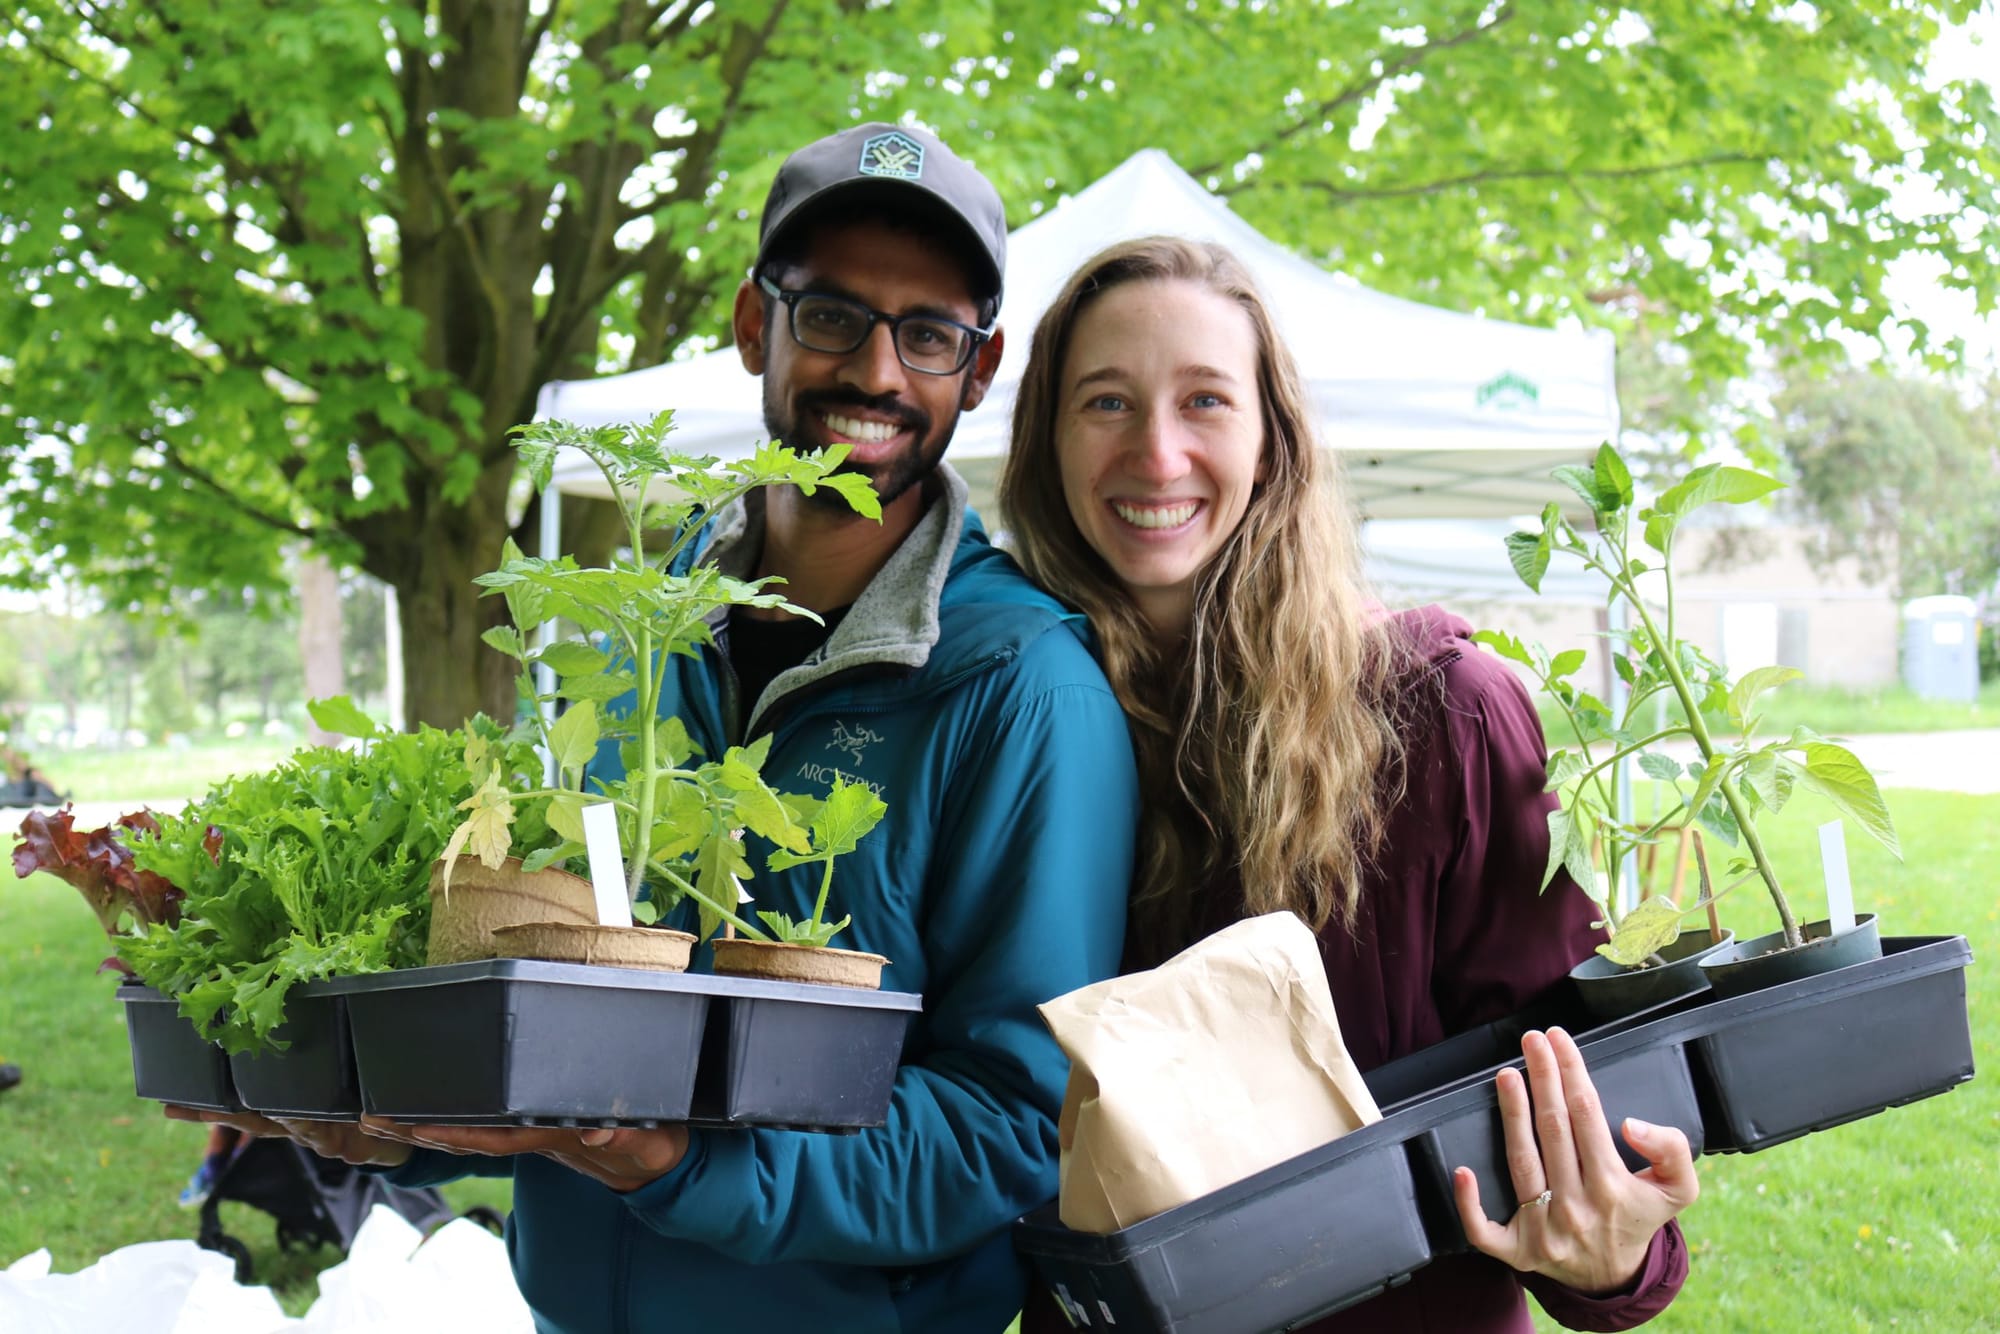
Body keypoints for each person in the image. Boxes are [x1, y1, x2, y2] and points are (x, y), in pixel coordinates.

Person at [170, 122, 1138, 1333]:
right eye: (831, 315)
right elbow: (545, 1024)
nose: (878, 373)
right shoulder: (635, 633)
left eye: (928, 333)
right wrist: (369, 1109)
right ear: (753, 326)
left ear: (977, 370)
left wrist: (687, 1165)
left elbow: (1011, 1124)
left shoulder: (1020, 688)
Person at [1000, 237, 1697, 1333]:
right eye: (1104, 402)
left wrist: (1608, 1255)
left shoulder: (1441, 713)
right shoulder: (1015, 720)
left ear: (1274, 440)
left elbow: (1575, 1096)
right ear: (1045, 443)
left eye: (1205, 401)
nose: (1157, 450)